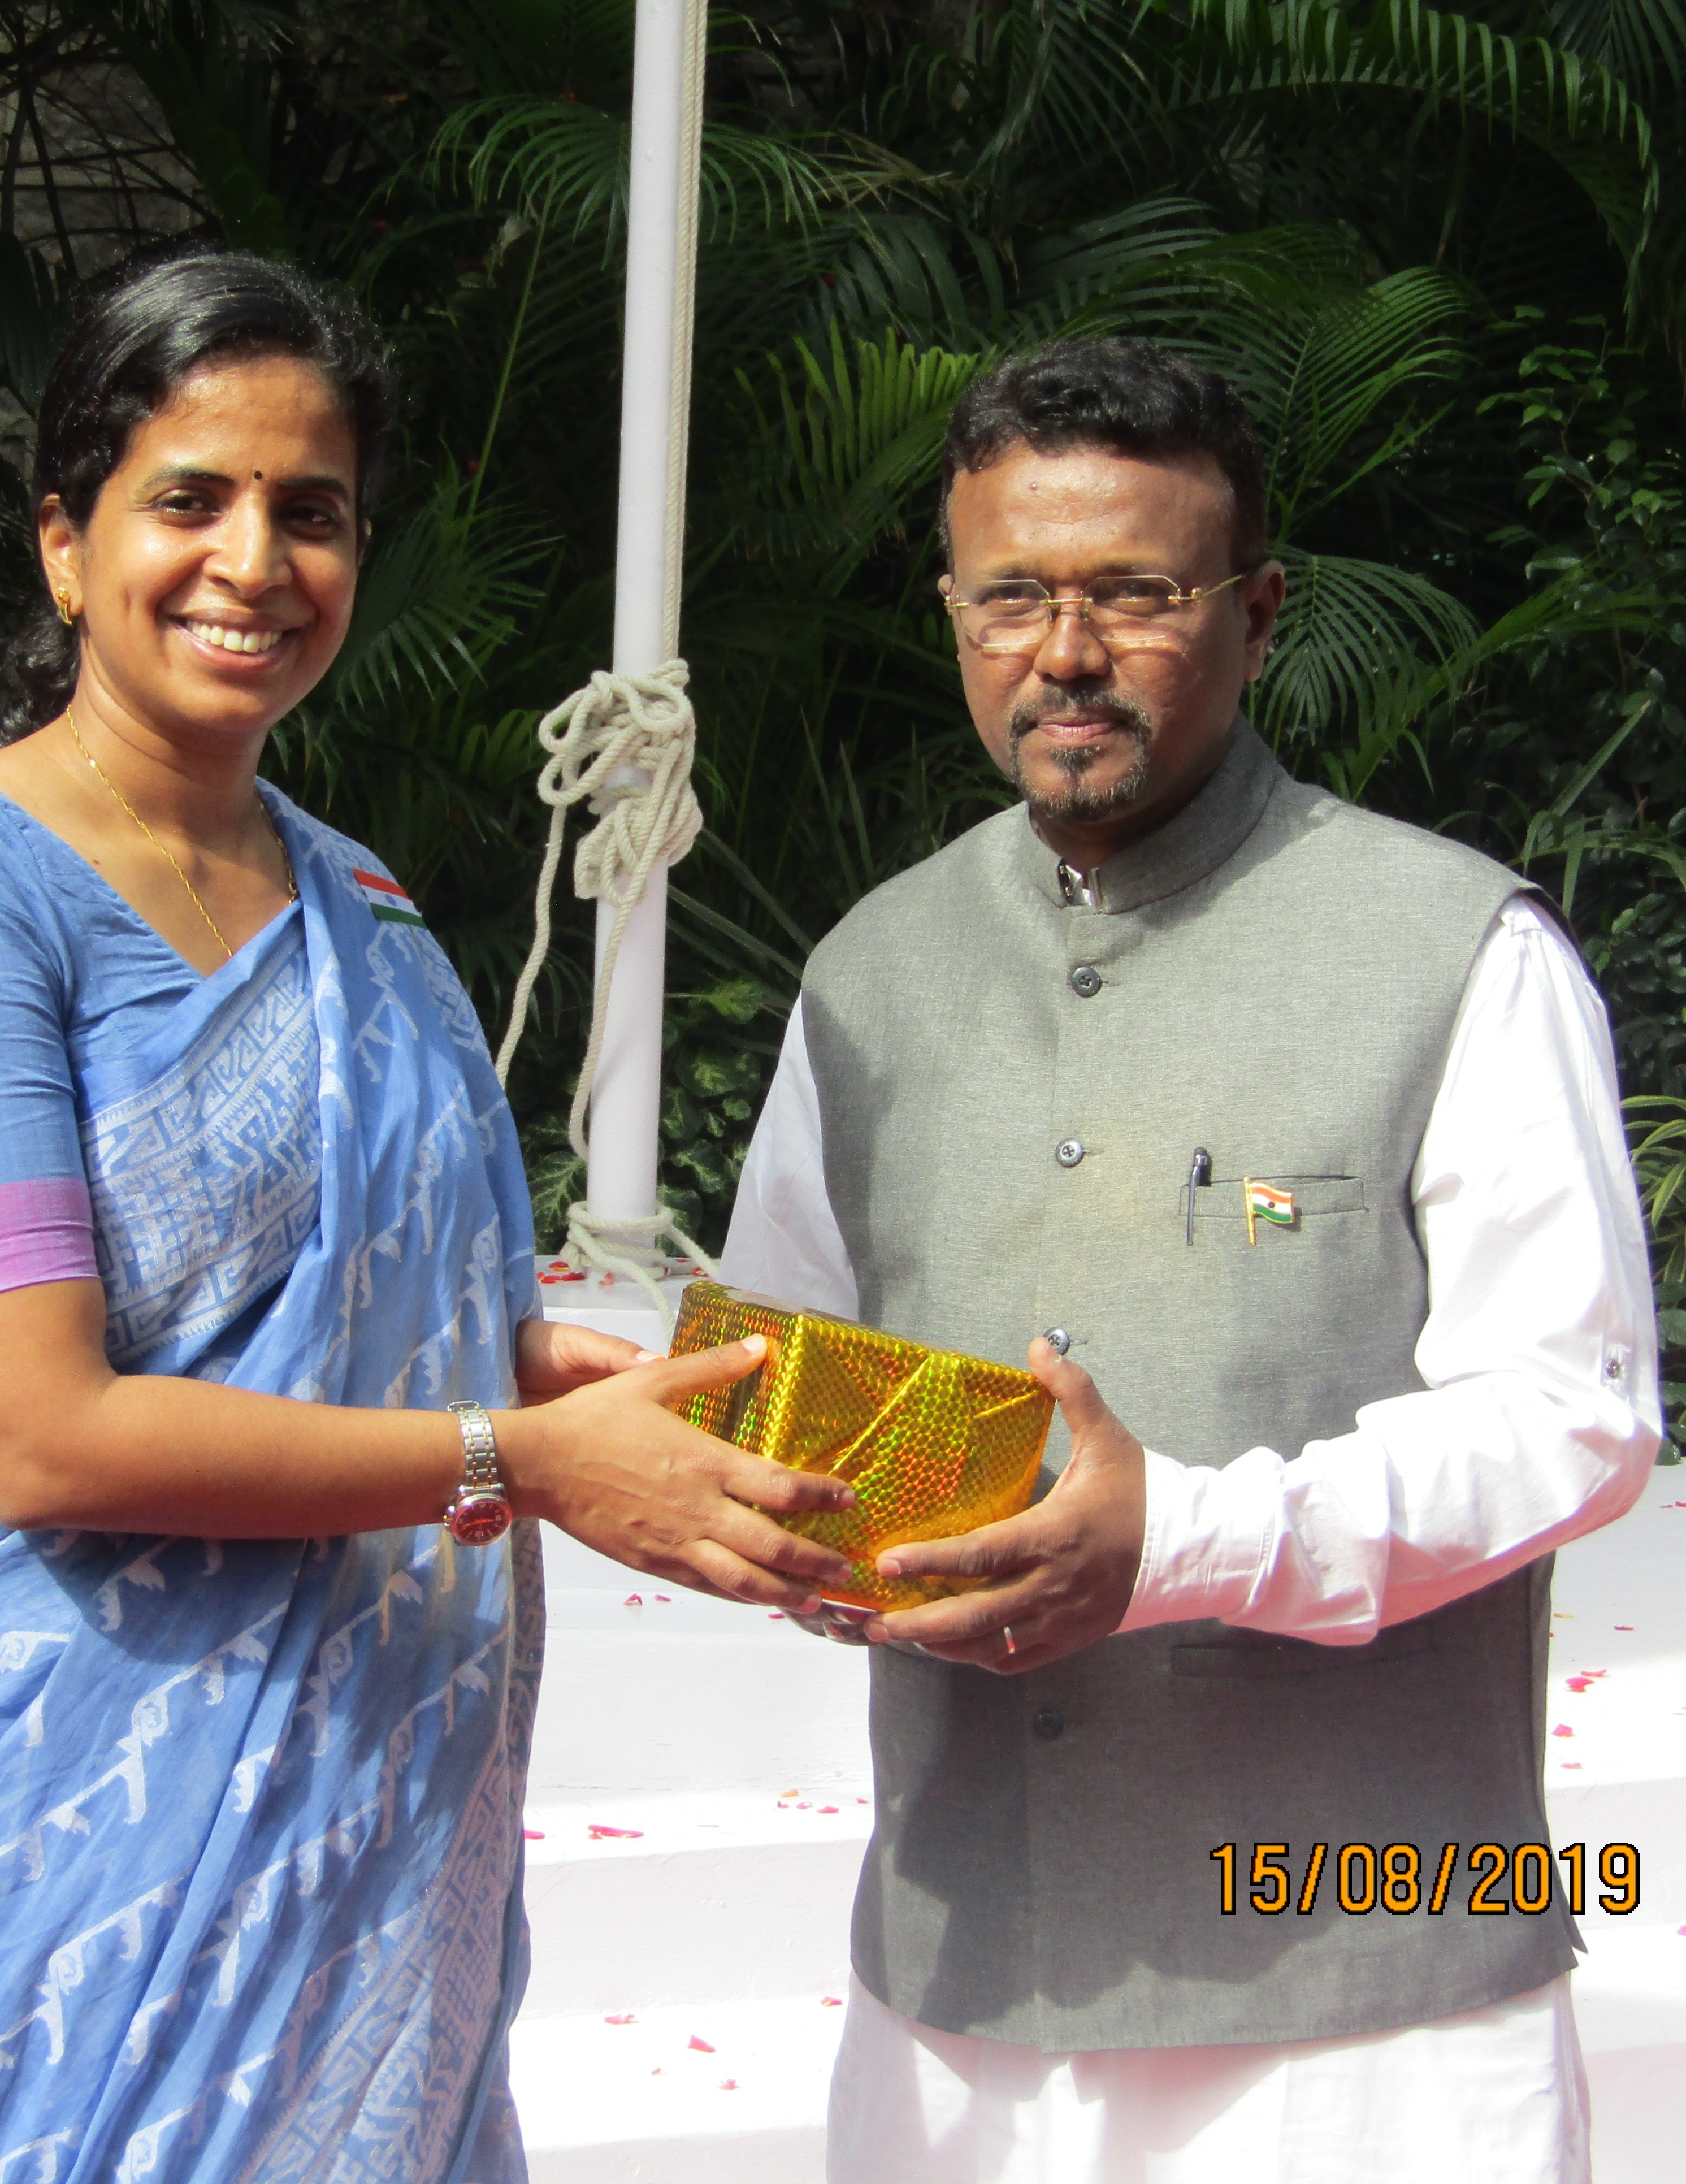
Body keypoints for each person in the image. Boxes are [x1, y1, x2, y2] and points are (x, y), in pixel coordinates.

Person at [0, 247, 852, 2184]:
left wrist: (618, 1421)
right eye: (189, 497)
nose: (253, 559)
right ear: (63, 541)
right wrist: (516, 1454)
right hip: (66, 1824)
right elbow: (35, 1432)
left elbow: (393, 1311)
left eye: (315, 512)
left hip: (379, 1804)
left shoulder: (361, 902)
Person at [721, 336, 1659, 2183]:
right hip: (958, 1993)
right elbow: (778, 1373)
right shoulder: (871, 977)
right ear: (954, 610)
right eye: (1010, 597)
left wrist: (1186, 1541)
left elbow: (1574, 1413)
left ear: (1259, 611)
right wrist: (768, 1519)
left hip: (1371, 1995)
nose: (1063, 653)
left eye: (1135, 592)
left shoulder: (1453, 945)